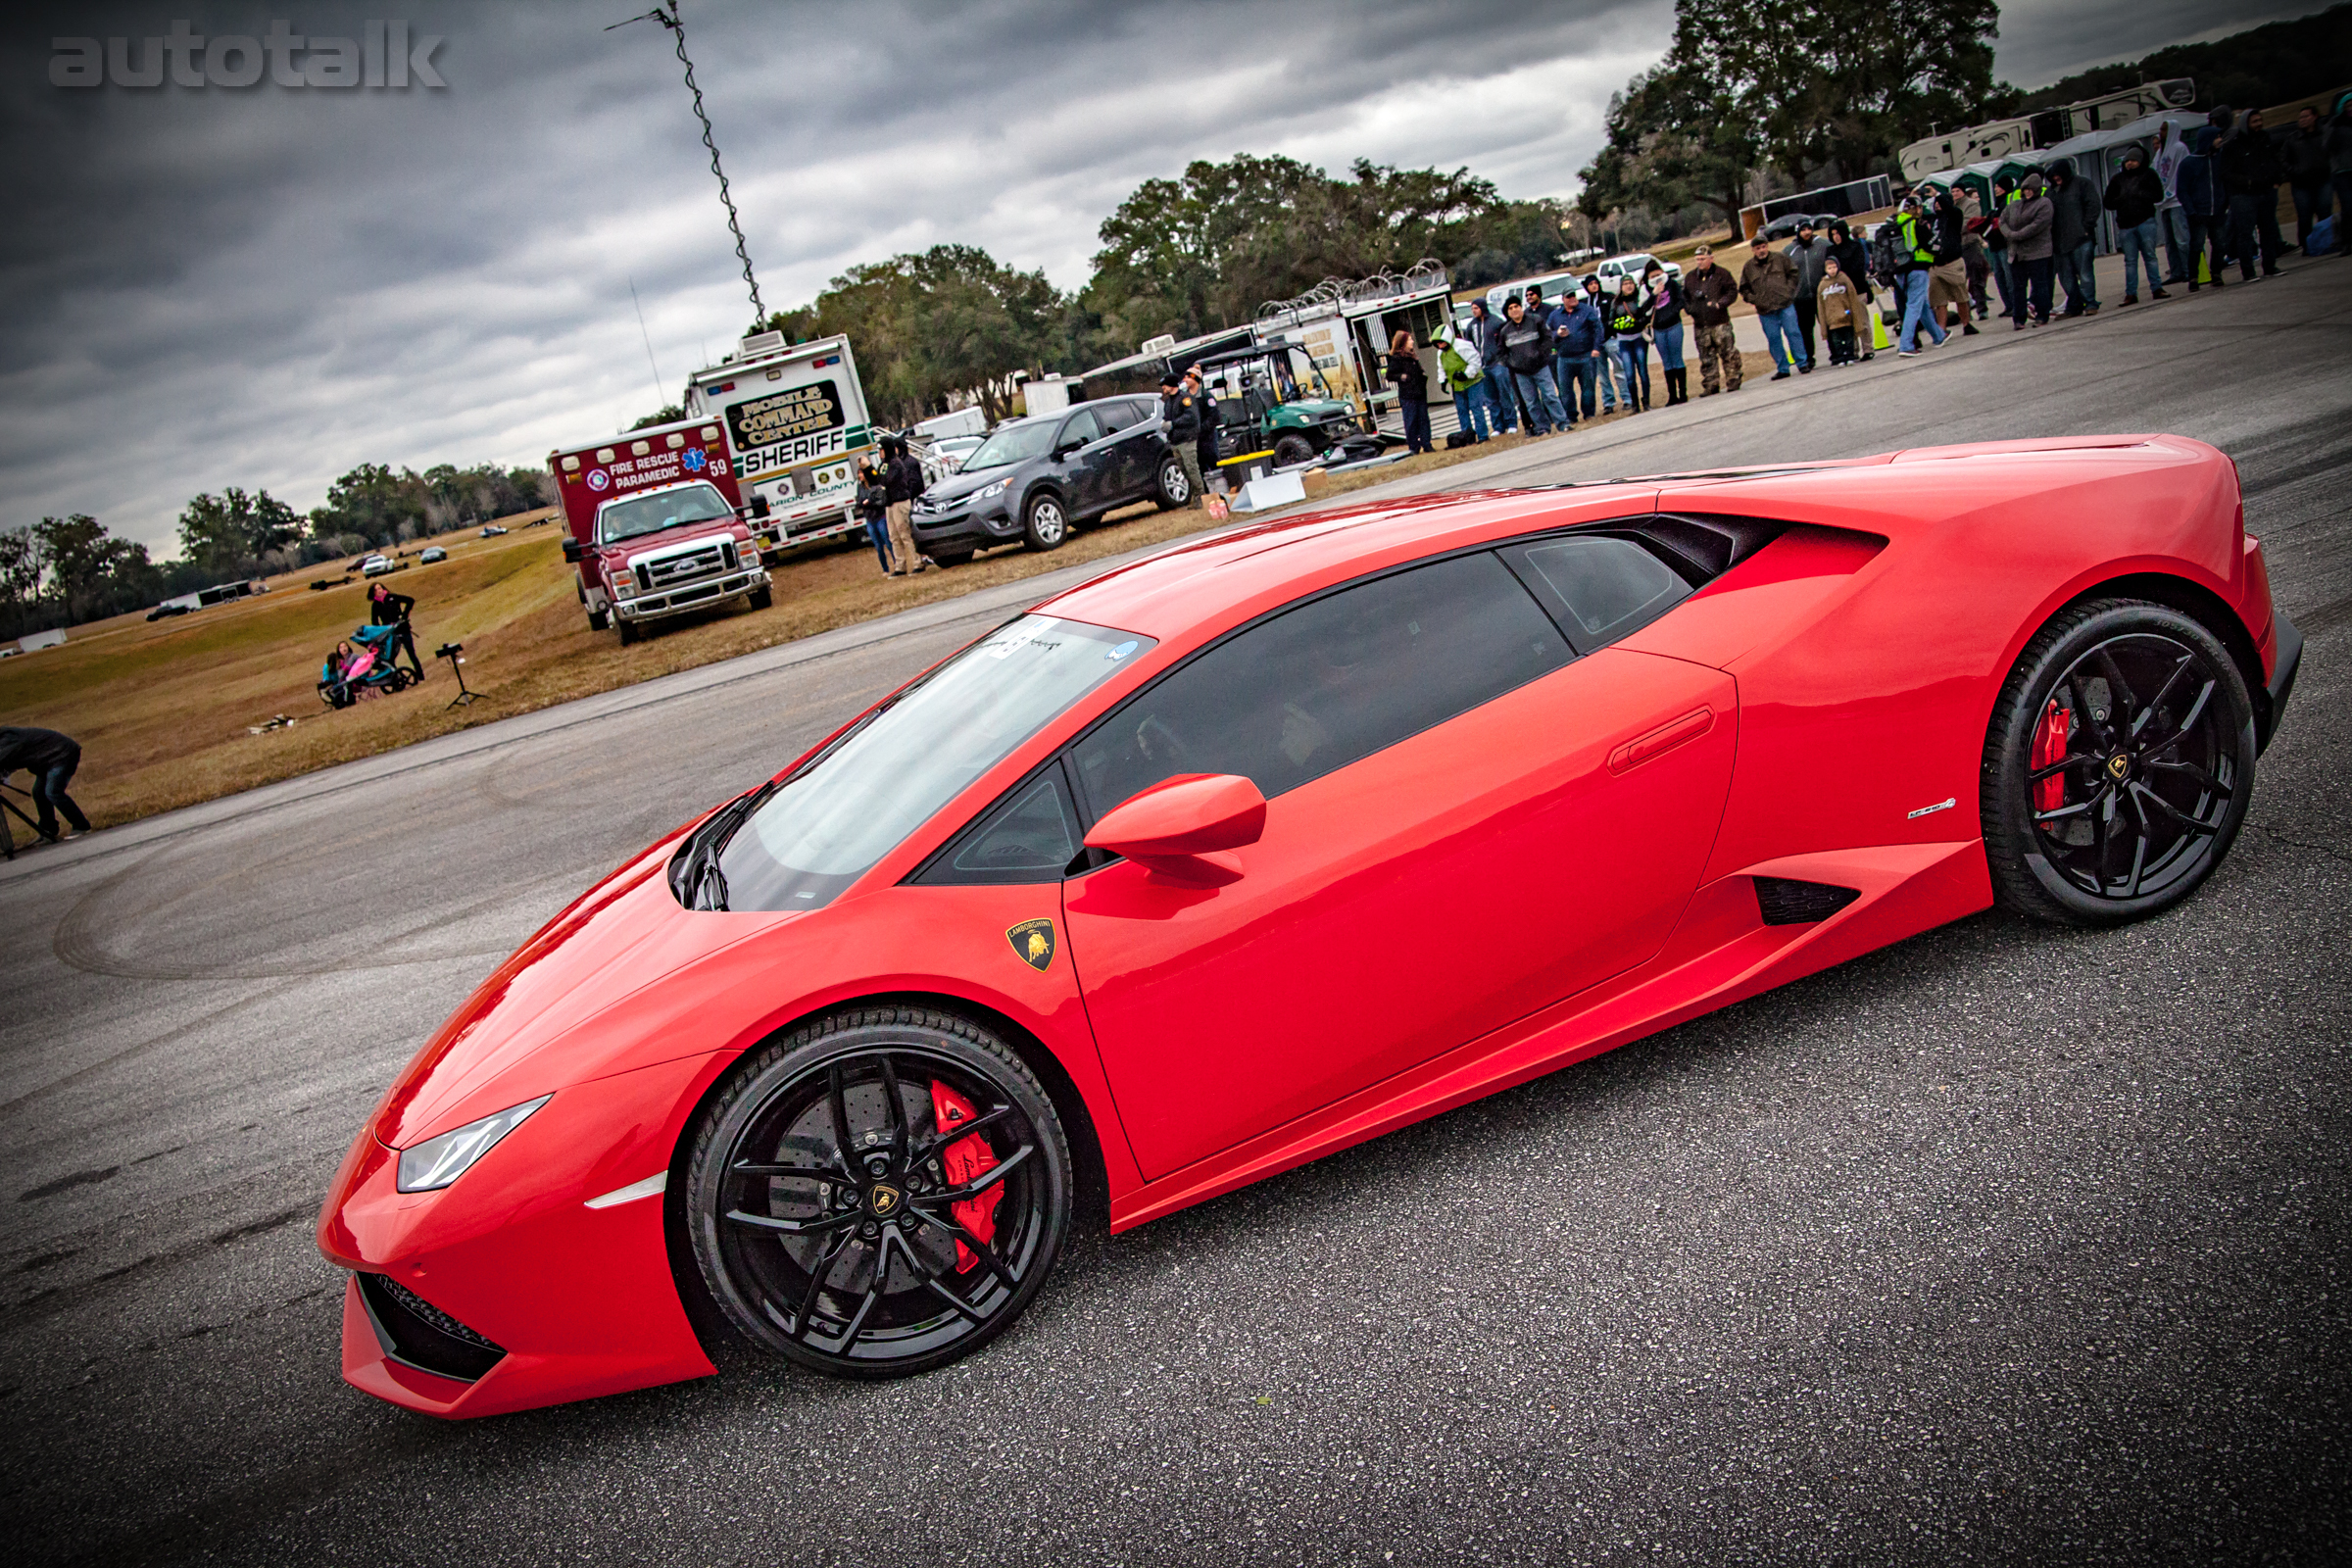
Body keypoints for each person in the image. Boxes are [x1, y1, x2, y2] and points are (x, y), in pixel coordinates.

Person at [2219, 108, 2286, 279]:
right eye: (2254, 121)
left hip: (2266, 191)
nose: (2259, 124)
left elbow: (2274, 159)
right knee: (2245, 233)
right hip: (2243, 195)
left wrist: (2277, 178)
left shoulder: (2265, 139)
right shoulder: (2233, 145)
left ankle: (2270, 266)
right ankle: (2248, 271)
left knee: (2268, 230)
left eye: (2259, 120)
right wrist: (2247, 181)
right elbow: (2226, 172)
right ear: (2245, 123)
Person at [0, 726, 92, 843]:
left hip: (61, 755)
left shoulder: (8, 739)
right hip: (48, 760)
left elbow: (3, 758)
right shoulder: (7, 739)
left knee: (53, 792)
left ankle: (81, 826)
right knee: (39, 793)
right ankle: (47, 830)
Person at [2103, 143, 2170, 304]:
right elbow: (2108, 202)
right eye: (2127, 161)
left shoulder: (2149, 175)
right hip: (2126, 226)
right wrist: (2122, 199)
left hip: (2145, 221)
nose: (2129, 163)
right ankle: (2131, 293)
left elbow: (2158, 195)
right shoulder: (2117, 179)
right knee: (2130, 261)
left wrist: (2140, 194)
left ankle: (2157, 288)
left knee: (2150, 256)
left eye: (2133, 160)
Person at [1496, 296, 1566, 434]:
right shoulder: (1505, 331)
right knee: (1532, 403)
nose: (1514, 310)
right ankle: (1542, 428)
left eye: (1516, 306)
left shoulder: (1536, 321)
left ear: (1521, 307)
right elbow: (1501, 353)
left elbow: (1547, 339)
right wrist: (1513, 364)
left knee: (1550, 396)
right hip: (1521, 373)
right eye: (1511, 308)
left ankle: (1563, 423)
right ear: (1508, 312)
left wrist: (1541, 355)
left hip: (1540, 368)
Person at [2176, 121, 2230, 289]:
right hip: (2198, 212)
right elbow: (2182, 190)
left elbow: (2225, 182)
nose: (2220, 140)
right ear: (2208, 139)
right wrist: (2191, 211)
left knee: (2220, 243)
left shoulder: (2219, 160)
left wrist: (2225, 203)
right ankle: (2193, 277)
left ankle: (2216, 273)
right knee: (2196, 245)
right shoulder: (2189, 163)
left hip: (2218, 210)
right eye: (2217, 137)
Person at [1739, 237, 1802, 378]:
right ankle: (1783, 368)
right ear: (1753, 250)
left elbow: (1794, 273)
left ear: (1767, 246)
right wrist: (1755, 300)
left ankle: (1802, 363)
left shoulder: (1780, 258)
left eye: (1763, 247)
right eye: (1758, 248)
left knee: (1793, 332)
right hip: (1765, 310)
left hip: (1785, 304)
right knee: (1773, 339)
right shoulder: (1749, 267)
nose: (1761, 251)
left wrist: (1789, 290)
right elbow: (1743, 288)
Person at [1999, 172, 2057, 327]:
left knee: (2040, 285)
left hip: (2038, 252)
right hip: (2017, 254)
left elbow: (2038, 225)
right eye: (2025, 189)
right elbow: (2002, 220)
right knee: (2018, 287)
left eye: (2031, 189)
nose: (2028, 192)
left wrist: (2016, 235)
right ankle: (2019, 319)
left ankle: (2042, 315)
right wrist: (2010, 234)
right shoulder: (2014, 205)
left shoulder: (2044, 203)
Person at [1890, 196, 1945, 355]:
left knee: (1922, 306)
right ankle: (1906, 345)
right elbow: (1930, 245)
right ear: (1914, 209)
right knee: (1914, 307)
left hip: (1900, 272)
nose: (1920, 211)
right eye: (1919, 208)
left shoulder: (1894, 224)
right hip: (1917, 269)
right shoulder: (1916, 224)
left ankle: (1938, 336)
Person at [1683, 245, 1741, 395]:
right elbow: (1685, 297)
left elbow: (1732, 291)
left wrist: (1720, 303)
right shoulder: (1690, 278)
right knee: (1706, 356)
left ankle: (1733, 379)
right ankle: (1711, 383)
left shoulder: (1722, 274)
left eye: (1703, 259)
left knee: (1728, 352)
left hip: (1719, 321)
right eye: (1697, 260)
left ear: (1711, 259)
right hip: (1701, 324)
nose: (1700, 262)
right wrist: (1690, 309)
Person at [2045, 161, 2102, 317]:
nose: (2056, 179)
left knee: (2085, 274)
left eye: (2059, 176)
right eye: (2053, 177)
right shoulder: (2050, 192)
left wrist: (2086, 228)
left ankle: (2090, 303)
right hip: (2059, 243)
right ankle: (2074, 305)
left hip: (2081, 239)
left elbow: (2094, 205)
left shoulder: (2082, 184)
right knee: (2066, 278)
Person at [1825, 220, 1879, 355]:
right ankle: (1852, 350)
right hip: (1840, 293)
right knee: (1847, 322)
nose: (1836, 237)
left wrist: (1842, 273)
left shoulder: (1855, 246)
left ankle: (1867, 348)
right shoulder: (1830, 250)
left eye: (1838, 233)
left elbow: (1858, 266)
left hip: (1858, 289)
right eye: (1833, 234)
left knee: (1862, 319)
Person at [1785, 220, 1832, 369]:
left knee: (1829, 324)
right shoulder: (1789, 251)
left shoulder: (1823, 245)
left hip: (1822, 294)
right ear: (1798, 232)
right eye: (1803, 230)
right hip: (1801, 297)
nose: (1807, 233)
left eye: (1809, 229)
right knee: (1805, 329)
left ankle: (1837, 352)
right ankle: (1808, 358)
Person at [1552, 285, 1602, 423]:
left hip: (1585, 355)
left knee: (1588, 387)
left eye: (1573, 295)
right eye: (1569, 297)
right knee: (1565, 390)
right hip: (1564, 358)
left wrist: (1596, 348)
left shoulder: (1587, 310)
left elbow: (1598, 329)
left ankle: (1589, 413)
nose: (1572, 298)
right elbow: (1547, 333)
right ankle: (1570, 416)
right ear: (1563, 300)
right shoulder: (1555, 315)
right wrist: (1557, 334)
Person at [1928, 189, 1976, 335]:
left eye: (1940, 203)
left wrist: (1937, 195)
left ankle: (1966, 323)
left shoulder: (1955, 215)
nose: (1937, 205)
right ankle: (1942, 329)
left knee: (1961, 296)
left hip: (1952, 262)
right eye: (1935, 203)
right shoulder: (1932, 219)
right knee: (1939, 301)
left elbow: (1950, 208)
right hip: (1935, 265)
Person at [2285, 105, 2331, 254]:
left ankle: (2327, 242)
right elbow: (2283, 159)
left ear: (2315, 117)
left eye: (2306, 116)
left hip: (2323, 180)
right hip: (2301, 184)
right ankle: (2306, 245)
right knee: (2304, 216)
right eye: (2301, 117)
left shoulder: (2325, 134)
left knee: (2325, 212)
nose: (2303, 120)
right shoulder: (2293, 139)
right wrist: (2294, 171)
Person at [1601, 276, 1652, 412]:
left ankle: (1646, 401)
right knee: (1629, 374)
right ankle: (1635, 404)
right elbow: (1610, 321)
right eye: (1625, 284)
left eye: (1630, 283)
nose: (1628, 286)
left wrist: (1636, 322)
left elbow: (1646, 314)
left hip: (1638, 337)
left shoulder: (1639, 299)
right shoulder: (1616, 302)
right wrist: (1620, 324)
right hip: (1624, 340)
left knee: (1643, 371)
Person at [1466, 299, 1516, 434]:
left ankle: (1511, 422)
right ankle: (1498, 426)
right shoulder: (1471, 326)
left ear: (1482, 308)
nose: (1474, 311)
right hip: (1483, 366)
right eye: (1472, 309)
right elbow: (1469, 345)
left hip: (1498, 363)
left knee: (1505, 394)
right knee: (1490, 398)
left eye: (1476, 308)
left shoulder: (1496, 322)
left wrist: (1503, 358)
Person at [881, 434, 929, 575]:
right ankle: (900, 565)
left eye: (881, 449)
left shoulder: (898, 464)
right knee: (893, 536)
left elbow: (889, 480)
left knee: (905, 533)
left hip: (900, 501)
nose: (880, 453)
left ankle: (917, 562)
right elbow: (880, 478)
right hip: (889, 503)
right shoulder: (884, 464)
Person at [1643, 260, 1689, 404]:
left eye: (1658, 274)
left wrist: (1673, 313)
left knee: (1677, 359)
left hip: (1674, 325)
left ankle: (1683, 393)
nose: (1656, 278)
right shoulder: (1646, 289)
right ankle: (1672, 395)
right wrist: (1653, 294)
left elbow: (1681, 301)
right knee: (1667, 362)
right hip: (1658, 329)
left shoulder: (1672, 284)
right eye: (1652, 276)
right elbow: (1643, 310)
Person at [1159, 371, 1204, 507]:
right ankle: (1195, 496)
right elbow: (1167, 417)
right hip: (1175, 441)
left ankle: (1201, 496)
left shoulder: (1185, 398)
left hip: (1186, 439)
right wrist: (1165, 424)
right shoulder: (1168, 402)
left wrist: (1174, 423)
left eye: (1165, 385)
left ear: (1172, 385)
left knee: (1192, 468)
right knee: (1183, 470)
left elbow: (1191, 417)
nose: (1163, 388)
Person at [1437, 326, 1490, 443]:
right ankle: (1467, 437)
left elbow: (1475, 360)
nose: (1439, 346)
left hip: (1473, 382)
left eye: (1441, 342)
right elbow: (1441, 367)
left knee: (1476, 408)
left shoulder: (1461, 346)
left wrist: (1466, 374)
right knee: (1462, 410)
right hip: (1457, 386)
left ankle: (1482, 436)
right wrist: (1443, 381)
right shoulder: (1441, 353)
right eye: (1437, 344)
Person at [1385, 329, 1433, 456]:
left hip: (1420, 392)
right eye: (1410, 339)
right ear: (1403, 342)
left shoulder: (1412, 356)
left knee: (1424, 420)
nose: (1412, 341)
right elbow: (1389, 375)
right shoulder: (1396, 359)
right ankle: (1413, 446)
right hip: (1408, 395)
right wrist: (1402, 376)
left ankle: (1427, 443)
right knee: (1411, 421)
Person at [1576, 277, 1620, 412]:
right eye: (1591, 284)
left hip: (1610, 339)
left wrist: (1610, 331)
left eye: (1596, 283)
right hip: (1596, 344)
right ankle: (1608, 402)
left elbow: (1614, 316)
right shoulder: (1585, 303)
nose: (1594, 286)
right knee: (1602, 374)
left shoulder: (1609, 297)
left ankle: (1627, 398)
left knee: (1619, 370)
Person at [366, 580, 425, 679]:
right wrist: (381, 632)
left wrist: (405, 615)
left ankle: (420, 675)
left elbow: (410, 600)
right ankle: (395, 677)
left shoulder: (392, 597)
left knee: (411, 653)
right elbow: (375, 622)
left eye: (380, 588)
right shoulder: (375, 605)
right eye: (376, 590)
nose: (379, 591)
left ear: (383, 589)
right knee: (391, 656)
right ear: (373, 593)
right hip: (390, 633)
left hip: (403, 628)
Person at [1815, 256, 1867, 366]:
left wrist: (1852, 313)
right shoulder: (1822, 285)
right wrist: (1824, 322)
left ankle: (1850, 355)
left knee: (1849, 339)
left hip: (1846, 315)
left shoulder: (1844, 279)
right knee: (1837, 341)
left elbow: (1852, 297)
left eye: (1834, 267)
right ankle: (1841, 356)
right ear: (1825, 270)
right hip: (1832, 320)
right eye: (1829, 268)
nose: (1832, 270)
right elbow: (1821, 305)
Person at [1185, 365, 1223, 492]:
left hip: (1208, 438)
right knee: (1200, 468)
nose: (1185, 380)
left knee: (1214, 463)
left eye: (1188, 377)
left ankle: (1221, 490)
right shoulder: (1185, 398)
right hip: (1193, 440)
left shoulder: (1207, 396)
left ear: (1195, 379)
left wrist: (1202, 428)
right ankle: (1207, 494)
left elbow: (1214, 416)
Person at [854, 453, 892, 573]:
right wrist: (862, 504)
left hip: (880, 516)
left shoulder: (875, 486)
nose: (860, 476)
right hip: (870, 519)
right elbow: (859, 500)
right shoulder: (860, 487)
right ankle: (885, 569)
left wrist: (869, 503)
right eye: (858, 473)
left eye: (861, 473)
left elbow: (880, 501)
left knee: (888, 541)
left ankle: (898, 563)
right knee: (878, 546)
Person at [2330, 95, 2352, 258]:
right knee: (2348, 208)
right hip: (2342, 171)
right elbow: (2327, 146)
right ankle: (2347, 242)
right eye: (2348, 106)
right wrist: (2335, 130)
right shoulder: (2336, 125)